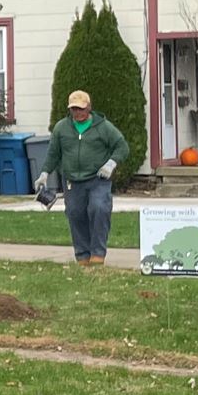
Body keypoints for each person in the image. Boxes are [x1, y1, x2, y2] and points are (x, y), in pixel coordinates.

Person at [49, 88, 130, 265]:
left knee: (99, 209)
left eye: (81, 108)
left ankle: (98, 254)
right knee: (75, 214)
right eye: (74, 109)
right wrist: (43, 174)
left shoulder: (103, 127)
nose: (77, 112)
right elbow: (53, 154)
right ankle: (83, 256)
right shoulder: (61, 128)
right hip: (72, 180)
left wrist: (111, 163)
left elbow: (122, 146)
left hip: (97, 180)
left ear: (89, 108)